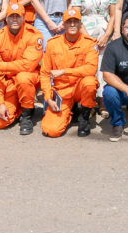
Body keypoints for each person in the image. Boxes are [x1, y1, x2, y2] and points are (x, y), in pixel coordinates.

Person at [40, 9, 99, 137]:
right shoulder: (52, 44)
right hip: (62, 91)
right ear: (64, 25)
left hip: (80, 87)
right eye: (69, 22)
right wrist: (48, 98)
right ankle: (70, 112)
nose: (72, 24)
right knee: (51, 130)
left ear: (80, 25)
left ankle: (84, 117)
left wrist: (64, 71)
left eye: (75, 21)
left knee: (89, 82)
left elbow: (91, 69)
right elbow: (44, 73)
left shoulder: (89, 43)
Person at [0, 3, 43, 134]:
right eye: (11, 17)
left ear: (24, 17)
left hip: (30, 78)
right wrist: (0, 102)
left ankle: (27, 114)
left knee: (23, 77)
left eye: (18, 16)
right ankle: (19, 105)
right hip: (8, 84)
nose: (15, 20)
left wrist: (0, 66)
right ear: (6, 19)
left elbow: (27, 65)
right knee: (0, 122)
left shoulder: (34, 35)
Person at [71, 0, 118, 108]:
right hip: (85, 32)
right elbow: (76, 16)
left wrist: (107, 35)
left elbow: (113, 15)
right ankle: (88, 102)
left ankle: (103, 101)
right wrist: (87, 38)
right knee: (88, 67)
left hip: (104, 32)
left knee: (103, 66)